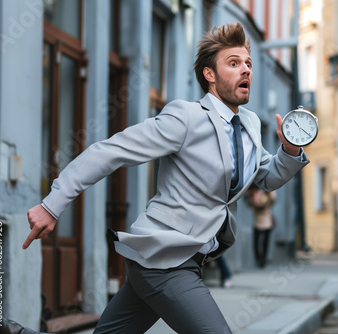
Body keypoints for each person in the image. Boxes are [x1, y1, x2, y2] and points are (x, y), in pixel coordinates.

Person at [17, 22, 309, 334]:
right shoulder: (186, 117)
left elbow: (266, 176)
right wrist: (53, 204)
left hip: (189, 259)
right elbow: (111, 151)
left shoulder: (250, 124)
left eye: (248, 64)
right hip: (165, 259)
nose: (246, 70)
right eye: (234, 63)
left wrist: (289, 150)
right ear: (210, 75)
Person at [247, 186, 276, 268]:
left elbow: (273, 200)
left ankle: (262, 259)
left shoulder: (268, 192)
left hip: (267, 219)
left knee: (264, 242)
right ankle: (259, 259)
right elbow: (251, 204)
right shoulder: (254, 192)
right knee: (258, 241)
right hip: (258, 220)